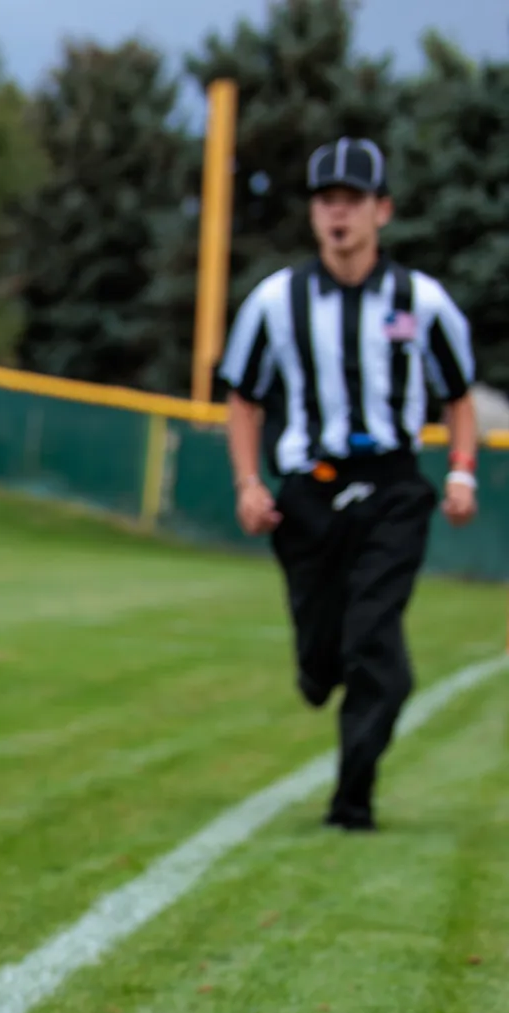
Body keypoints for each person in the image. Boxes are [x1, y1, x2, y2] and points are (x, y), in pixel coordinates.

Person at [217, 137, 481, 831]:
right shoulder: (277, 301)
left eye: (353, 201)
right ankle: (322, 667)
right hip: (309, 491)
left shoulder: (421, 301)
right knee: (320, 659)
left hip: (392, 487)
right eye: (326, 201)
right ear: (313, 213)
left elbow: (458, 396)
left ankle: (352, 798)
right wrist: (248, 483)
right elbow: (243, 397)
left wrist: (461, 471)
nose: (339, 214)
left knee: (372, 642)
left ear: (381, 211)